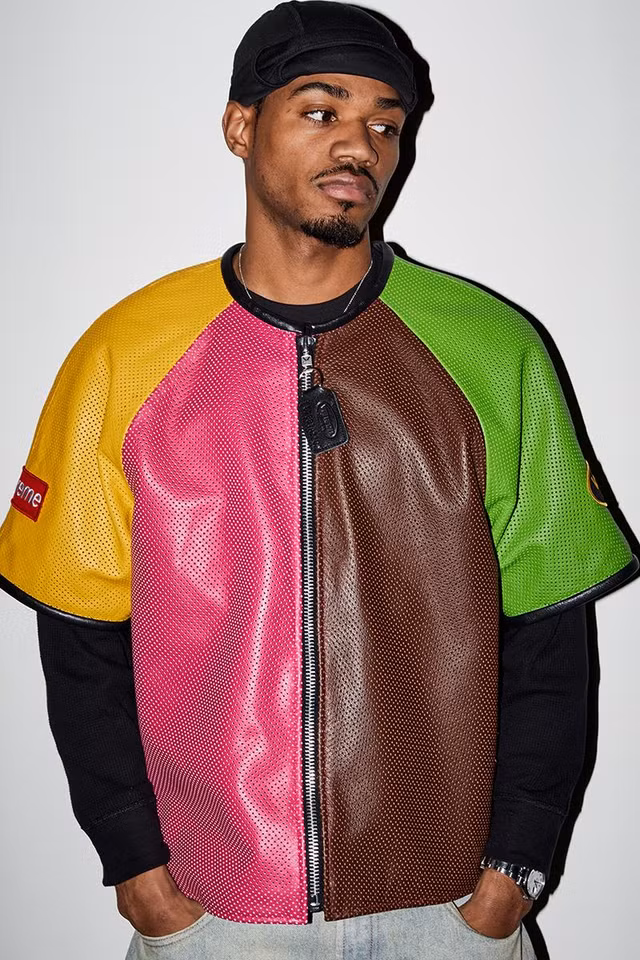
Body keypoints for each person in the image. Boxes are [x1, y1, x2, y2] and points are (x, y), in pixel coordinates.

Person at [0, 2, 637, 958]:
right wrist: (136, 863)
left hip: (447, 909)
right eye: (320, 110)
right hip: (217, 910)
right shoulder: (125, 355)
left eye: (386, 123)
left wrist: (516, 865)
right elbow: (80, 632)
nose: (358, 146)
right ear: (240, 125)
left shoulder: (490, 347)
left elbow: (549, 627)